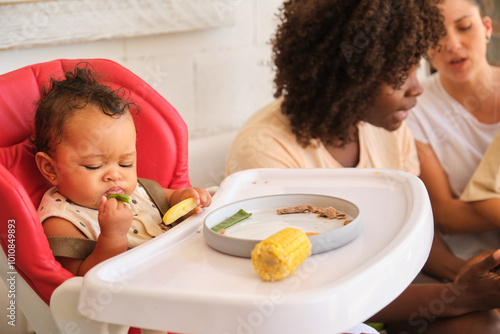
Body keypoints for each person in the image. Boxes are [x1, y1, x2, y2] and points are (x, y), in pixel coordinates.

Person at [225, 0, 500, 332]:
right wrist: (455, 297)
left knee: (480, 322)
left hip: (384, 293)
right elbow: (303, 295)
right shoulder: (266, 151)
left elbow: (412, 228)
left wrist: (466, 276)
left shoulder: (386, 126)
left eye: (416, 68)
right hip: (310, 312)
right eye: (401, 74)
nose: (416, 87)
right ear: (350, 76)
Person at [32, 65, 212, 277]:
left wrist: (188, 199)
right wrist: (112, 236)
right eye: (94, 166)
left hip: (183, 267)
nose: (114, 175)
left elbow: (171, 198)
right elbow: (81, 282)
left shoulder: (135, 191)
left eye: (126, 163)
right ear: (50, 168)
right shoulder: (61, 221)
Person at [405, 0, 500, 260]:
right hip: (472, 263)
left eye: (465, 26)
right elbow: (445, 216)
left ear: (487, 27)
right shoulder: (411, 110)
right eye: (435, 34)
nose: (452, 44)